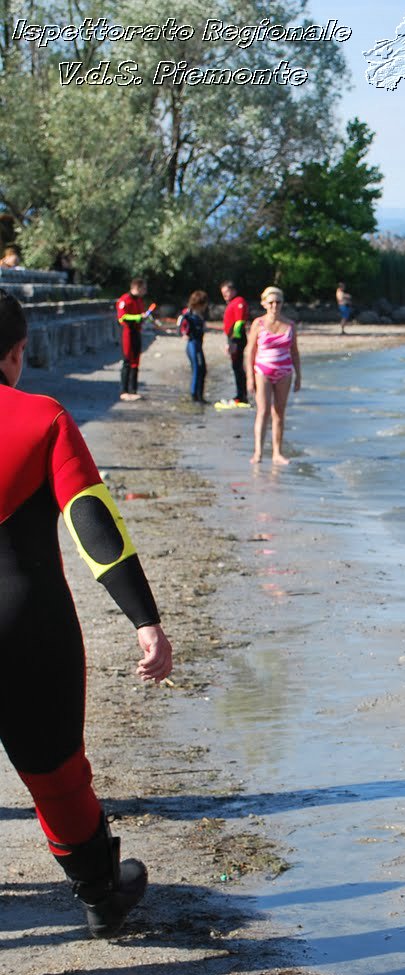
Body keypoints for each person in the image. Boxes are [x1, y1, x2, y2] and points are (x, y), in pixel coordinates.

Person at [0, 288, 174, 937]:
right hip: (27, 618)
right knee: (54, 767)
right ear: (16, 353)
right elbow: (94, 524)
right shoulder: (41, 418)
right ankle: (100, 891)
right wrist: (145, 620)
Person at [245, 287, 301, 465]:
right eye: (271, 302)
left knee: (279, 413)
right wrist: (250, 377)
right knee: (263, 411)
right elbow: (250, 351)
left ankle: (277, 452)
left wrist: (299, 376)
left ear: (283, 303)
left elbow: (295, 352)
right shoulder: (258, 324)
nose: (274, 305)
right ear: (264, 304)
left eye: (278, 302)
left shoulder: (290, 325)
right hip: (263, 371)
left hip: (284, 371)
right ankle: (258, 452)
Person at [114, 277, 156, 401]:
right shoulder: (124, 300)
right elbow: (122, 318)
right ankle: (124, 390)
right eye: (143, 288)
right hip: (128, 333)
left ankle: (133, 390)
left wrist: (145, 318)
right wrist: (138, 317)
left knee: (136, 362)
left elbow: (140, 315)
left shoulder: (139, 301)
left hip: (137, 332)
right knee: (127, 361)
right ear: (136, 288)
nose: (145, 291)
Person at [219, 281, 250, 408]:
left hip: (236, 338)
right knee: (236, 367)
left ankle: (241, 396)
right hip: (232, 337)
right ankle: (241, 395)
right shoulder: (232, 303)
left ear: (233, 290)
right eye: (223, 293)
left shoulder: (239, 302)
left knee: (238, 367)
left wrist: (233, 342)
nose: (225, 295)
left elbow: (239, 323)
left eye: (227, 292)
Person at [177, 290, 208, 403]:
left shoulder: (200, 315)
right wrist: (182, 333)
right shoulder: (189, 313)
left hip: (198, 345)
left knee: (203, 370)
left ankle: (200, 395)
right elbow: (181, 322)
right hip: (193, 345)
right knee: (197, 369)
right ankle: (195, 396)